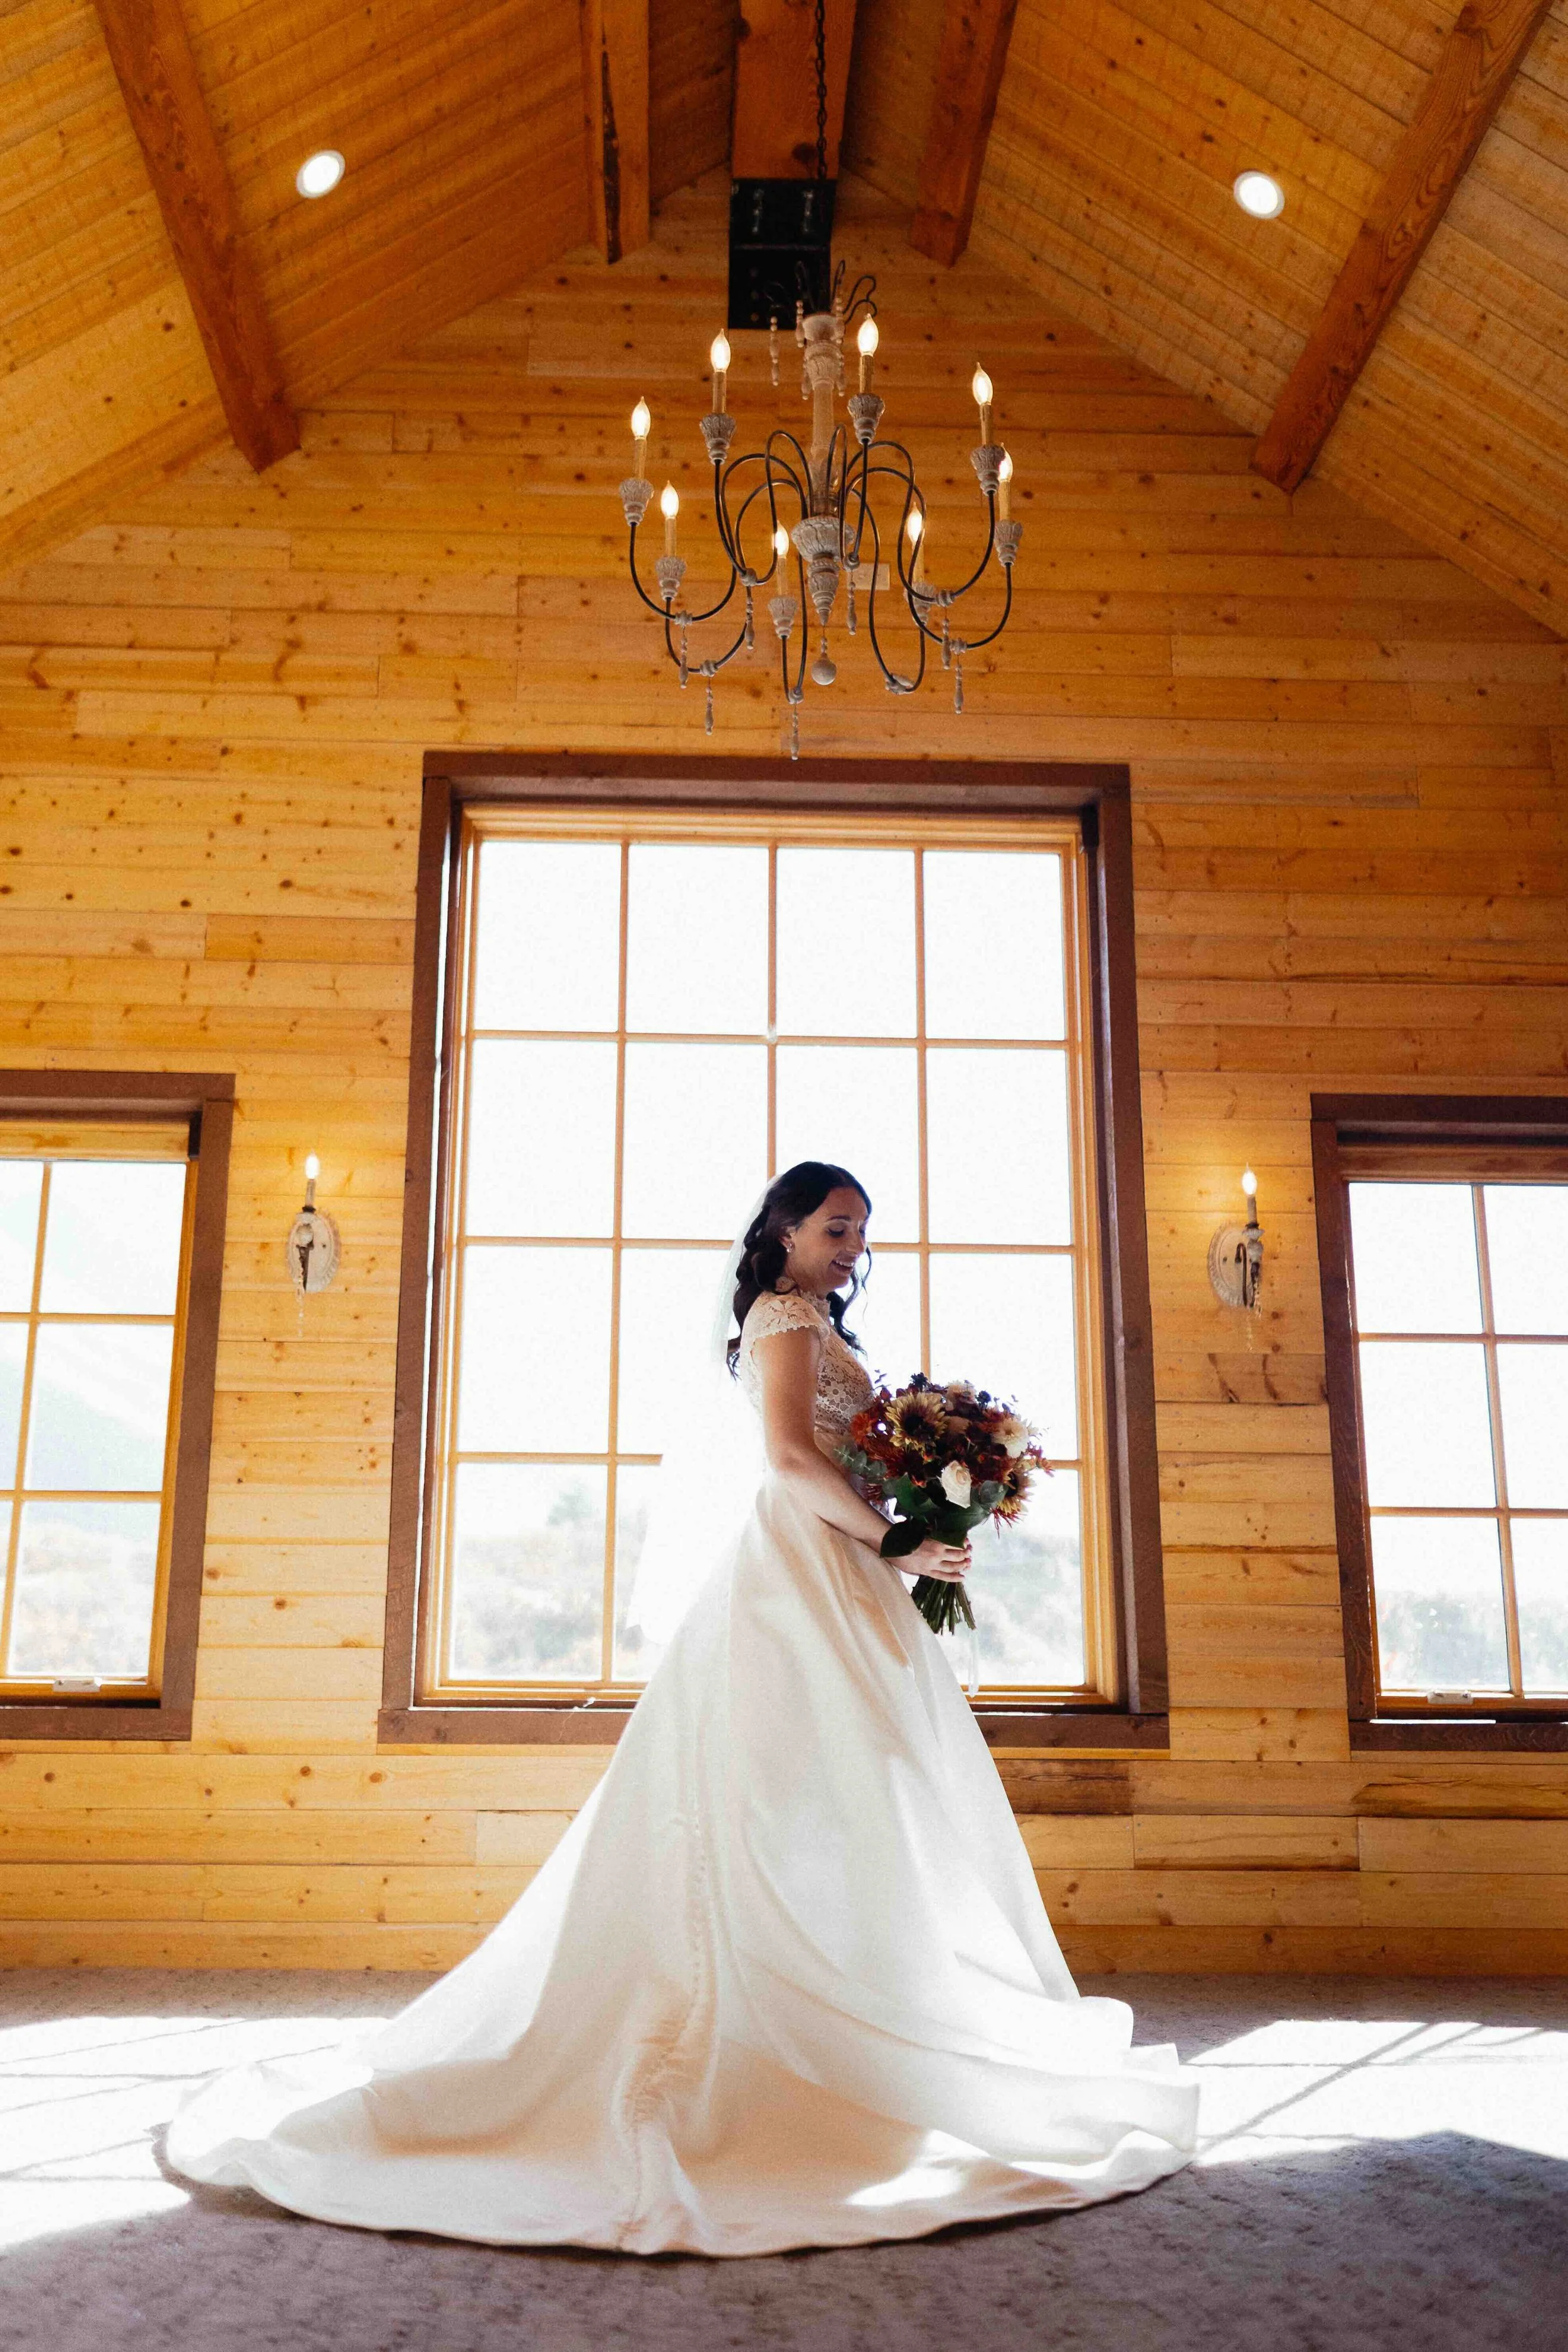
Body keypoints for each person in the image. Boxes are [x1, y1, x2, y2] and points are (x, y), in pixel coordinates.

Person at [166, 1161, 1199, 2254]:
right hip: (800, 1574)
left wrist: (920, 1509)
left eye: (862, 1233)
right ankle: (762, 2039)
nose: (853, 1249)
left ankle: (868, 2013)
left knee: (854, 1804)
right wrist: (900, 1539)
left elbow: (838, 1457)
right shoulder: (783, 1312)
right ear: (787, 1230)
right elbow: (793, 1457)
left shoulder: (809, 1315)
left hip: (841, 1573)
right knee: (779, 1805)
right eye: (837, 1228)